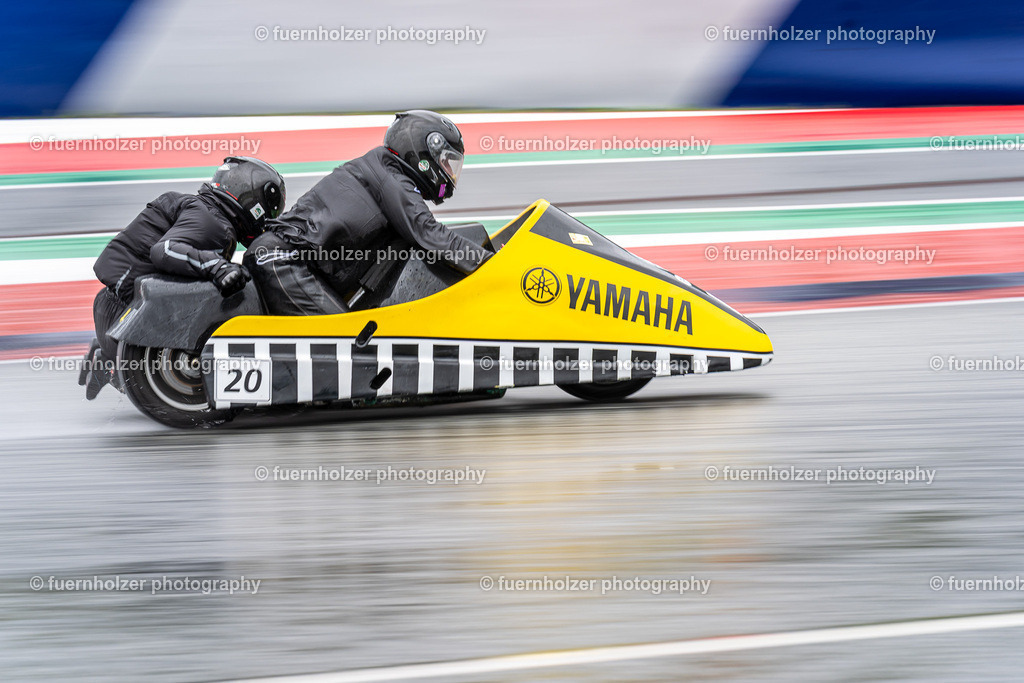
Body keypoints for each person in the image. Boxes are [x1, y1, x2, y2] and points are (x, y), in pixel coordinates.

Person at [245, 110, 491, 316]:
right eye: (446, 162)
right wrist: (492, 263)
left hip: (286, 261)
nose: (449, 171)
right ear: (425, 152)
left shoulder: (383, 171)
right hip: (281, 260)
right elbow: (428, 232)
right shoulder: (389, 173)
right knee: (343, 340)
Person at [81, 156, 286, 399]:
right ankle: (109, 359)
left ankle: (106, 358)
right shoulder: (213, 223)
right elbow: (165, 250)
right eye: (270, 209)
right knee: (168, 390)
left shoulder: (201, 210)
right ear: (253, 199)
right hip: (129, 318)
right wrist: (218, 267)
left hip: (115, 308)